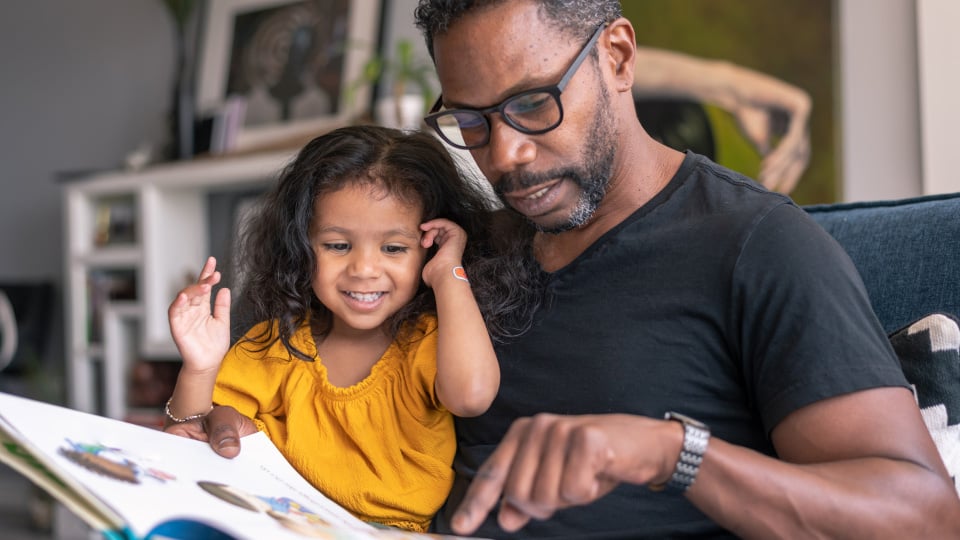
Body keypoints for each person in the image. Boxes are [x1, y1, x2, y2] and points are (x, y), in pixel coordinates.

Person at [407, 0, 960, 538]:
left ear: (618, 57)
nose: (505, 156)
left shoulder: (756, 245)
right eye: (471, 120)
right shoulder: (461, 248)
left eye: (531, 103)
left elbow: (925, 521)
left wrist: (673, 454)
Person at [162, 125, 540, 533]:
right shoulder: (275, 344)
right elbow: (188, 435)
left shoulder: (428, 341)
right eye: (338, 246)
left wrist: (449, 272)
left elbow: (471, 396)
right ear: (302, 248)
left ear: (428, 247)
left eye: (394, 248)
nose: (363, 270)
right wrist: (199, 368)